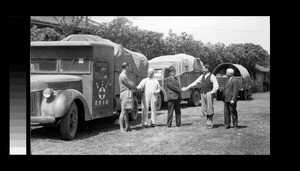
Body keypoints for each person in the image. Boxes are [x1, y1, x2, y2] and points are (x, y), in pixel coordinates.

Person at [182, 65, 219, 129]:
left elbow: (216, 86)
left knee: (209, 108)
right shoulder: (202, 76)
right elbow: (195, 83)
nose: (202, 69)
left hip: (209, 93)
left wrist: (211, 92)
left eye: (204, 68)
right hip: (203, 93)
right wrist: (187, 88)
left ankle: (210, 123)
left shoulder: (212, 76)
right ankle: (208, 122)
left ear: (207, 69)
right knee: (204, 108)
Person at [119, 62, 137, 132]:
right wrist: (136, 87)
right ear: (126, 67)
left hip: (126, 93)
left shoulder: (123, 75)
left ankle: (127, 127)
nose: (129, 68)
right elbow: (130, 84)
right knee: (123, 111)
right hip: (125, 94)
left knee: (126, 111)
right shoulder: (123, 76)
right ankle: (121, 128)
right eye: (128, 66)